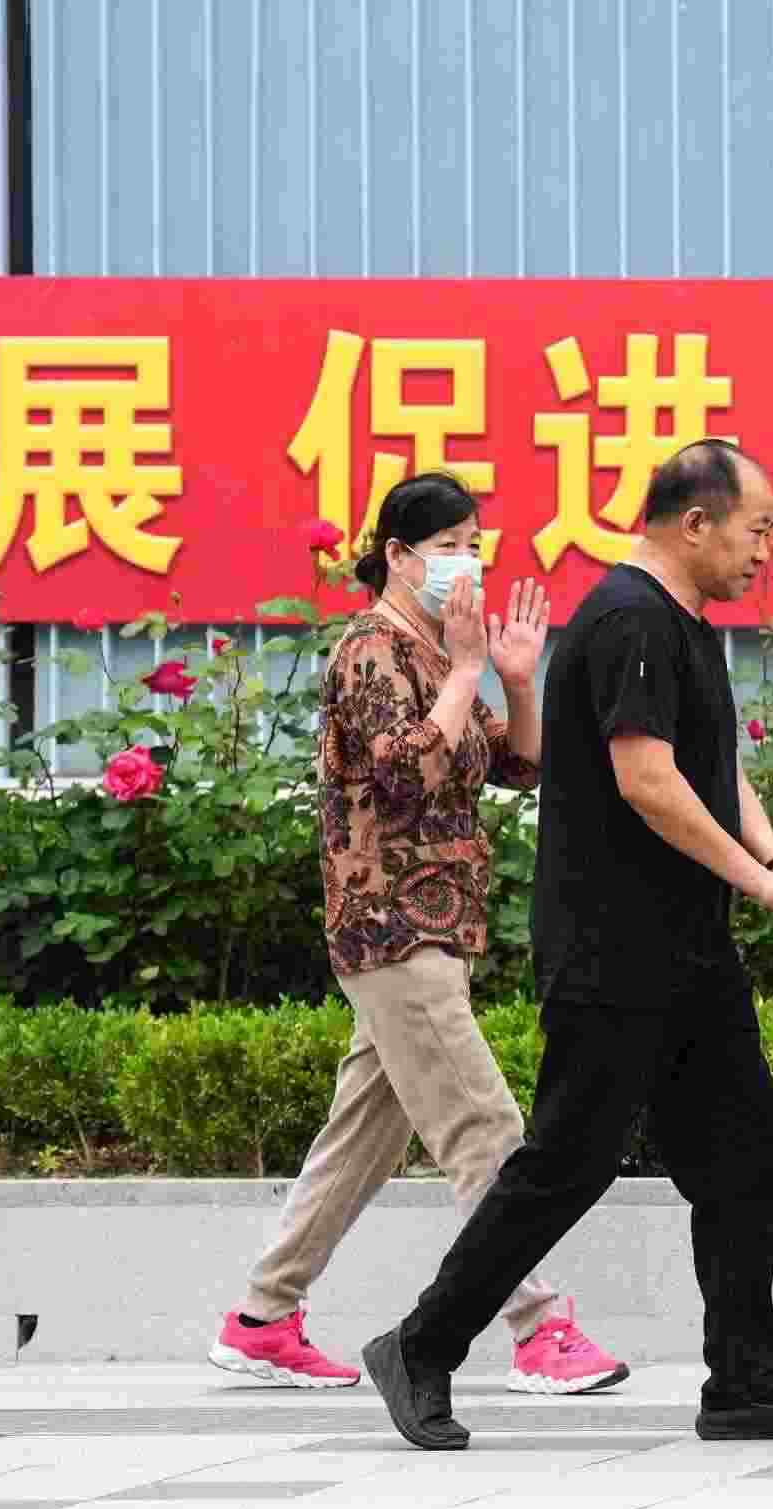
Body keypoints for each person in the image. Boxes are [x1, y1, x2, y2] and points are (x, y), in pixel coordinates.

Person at [362, 439, 773, 1451]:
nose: (767, 550)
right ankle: (420, 1344)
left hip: (687, 950)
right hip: (614, 948)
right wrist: (757, 881)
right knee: (567, 1160)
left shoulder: (682, 623)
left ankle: (742, 1386)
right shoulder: (629, 617)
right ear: (695, 523)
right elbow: (646, 780)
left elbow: (709, 768)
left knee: (743, 1155)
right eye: (758, 529)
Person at [212, 471, 627, 1397]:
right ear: (398, 557)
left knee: (362, 1135)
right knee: (484, 1123)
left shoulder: (437, 651)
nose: (465, 564)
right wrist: (471, 668)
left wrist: (514, 679)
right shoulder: (370, 648)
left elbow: (518, 766)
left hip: (434, 926)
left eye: (474, 545)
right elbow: (405, 775)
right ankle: (538, 1327)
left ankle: (262, 1319)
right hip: (390, 926)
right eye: (446, 548)